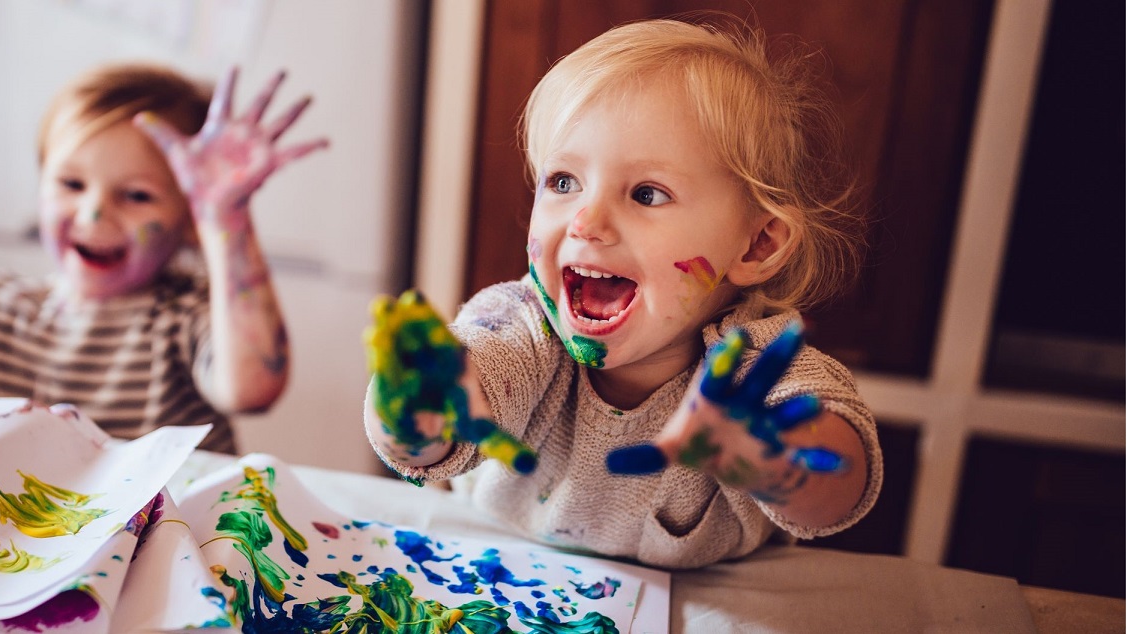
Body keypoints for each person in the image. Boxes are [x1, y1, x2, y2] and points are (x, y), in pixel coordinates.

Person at [364, 17, 881, 569]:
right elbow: (433, 434)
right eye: (564, 181)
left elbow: (840, 492)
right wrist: (411, 412)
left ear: (755, 245)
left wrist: (772, 460)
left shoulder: (752, 372)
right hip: (495, 577)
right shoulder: (523, 324)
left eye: (647, 193)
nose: (587, 222)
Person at [0, 62, 325, 454]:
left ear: (189, 220)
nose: (94, 211)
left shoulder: (186, 320)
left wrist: (226, 219)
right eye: (71, 183)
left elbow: (253, 388)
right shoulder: (6, 314)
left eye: (137, 195)